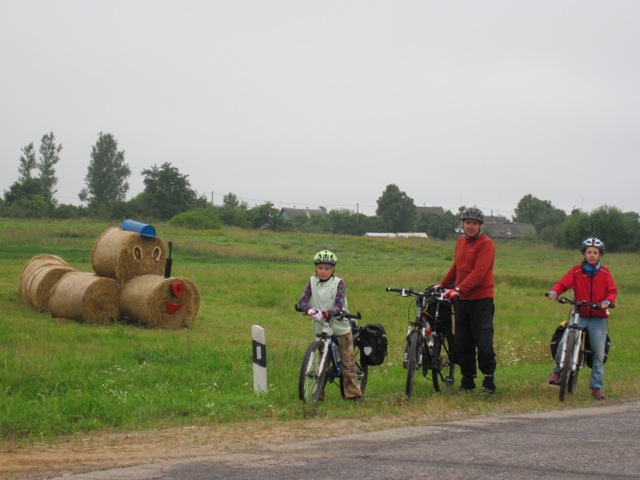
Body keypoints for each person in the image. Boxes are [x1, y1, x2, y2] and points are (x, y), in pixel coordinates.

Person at [547, 237, 617, 400]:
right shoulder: (576, 271)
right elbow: (563, 283)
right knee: (564, 340)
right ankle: (557, 371)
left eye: (595, 253)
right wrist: (554, 291)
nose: (592, 255)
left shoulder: (605, 272)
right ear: (584, 254)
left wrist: (608, 301)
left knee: (598, 352)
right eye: (589, 252)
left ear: (600, 255)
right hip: (579, 314)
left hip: (598, 317)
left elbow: (612, 291)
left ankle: (596, 387)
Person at [438, 207, 497, 395]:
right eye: (467, 222)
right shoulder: (460, 242)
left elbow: (480, 272)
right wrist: (442, 285)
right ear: (462, 224)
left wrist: (458, 288)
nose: (470, 226)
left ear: (480, 225)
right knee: (462, 343)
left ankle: (488, 379)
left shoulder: (486, 244)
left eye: (474, 223)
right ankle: (467, 380)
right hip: (462, 301)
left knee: (484, 342)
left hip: (481, 300)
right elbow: (457, 266)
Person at [298, 249, 362, 401]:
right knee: (322, 364)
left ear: (333, 269)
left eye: (327, 268)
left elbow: (339, 305)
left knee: (348, 363)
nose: (323, 271)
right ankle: (317, 395)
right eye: (320, 268)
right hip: (322, 328)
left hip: (340, 327)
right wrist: (309, 309)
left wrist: (326, 313)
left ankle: (353, 395)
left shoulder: (338, 283)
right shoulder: (312, 282)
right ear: (316, 269)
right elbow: (302, 301)